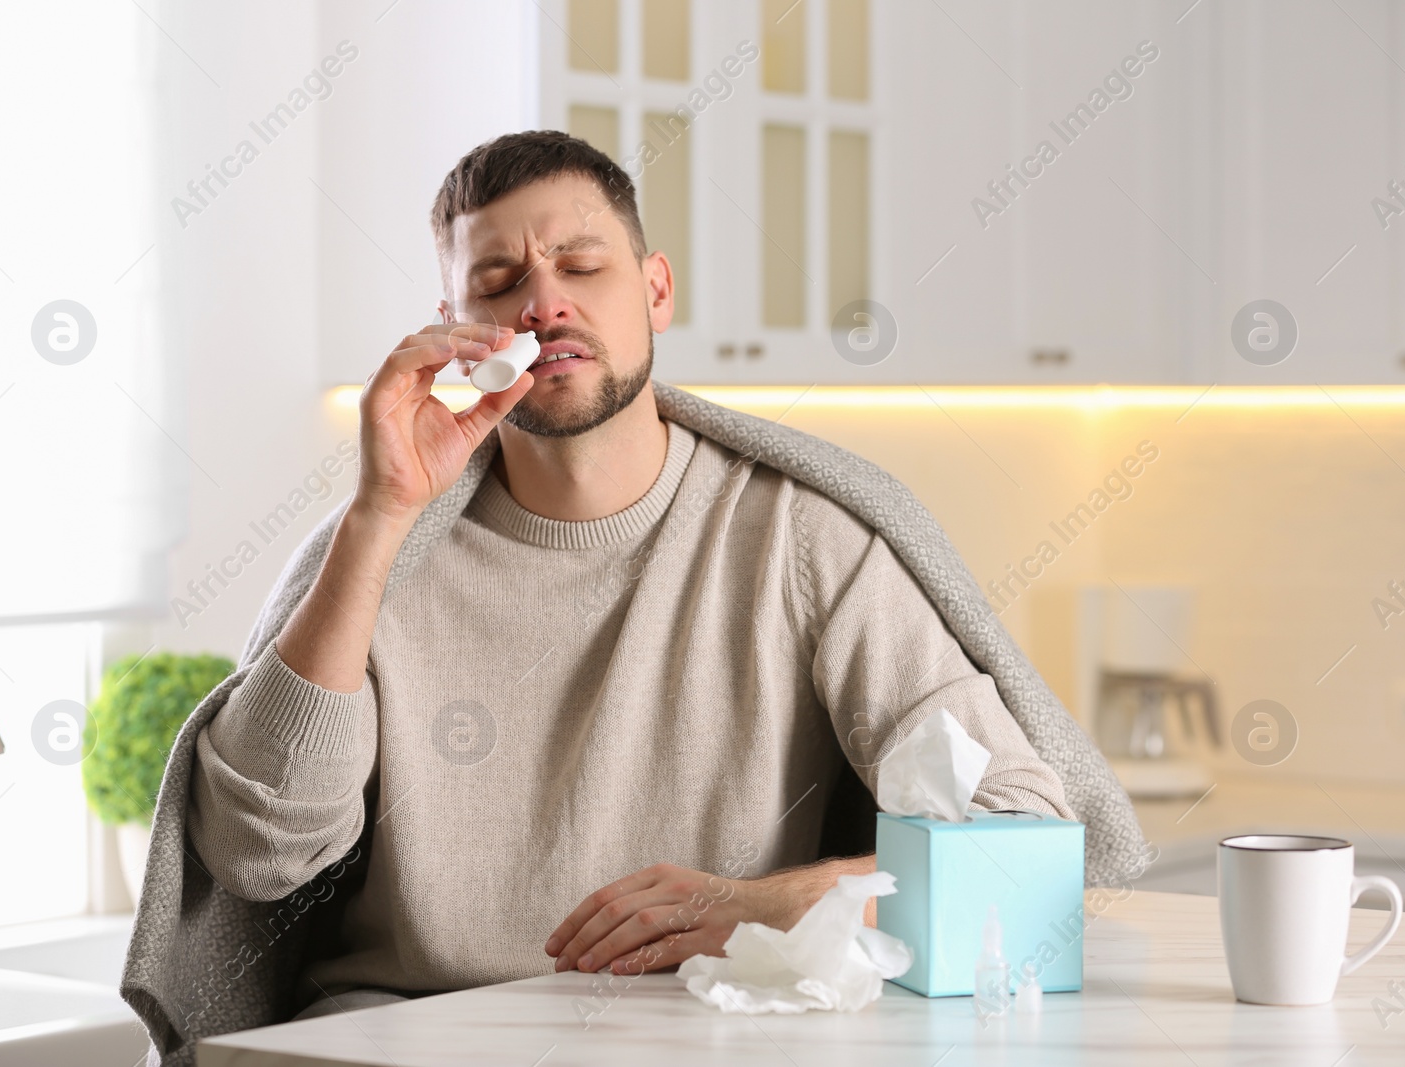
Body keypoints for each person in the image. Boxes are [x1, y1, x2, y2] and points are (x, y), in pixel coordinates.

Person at [186, 130, 1072, 1016]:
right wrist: (377, 519)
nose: (543, 302)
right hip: (407, 1032)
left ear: (655, 290)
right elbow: (257, 854)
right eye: (499, 283)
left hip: (688, 1029)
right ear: (454, 328)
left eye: (580, 265)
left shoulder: (802, 536)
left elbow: (1025, 838)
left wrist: (774, 903)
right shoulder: (382, 548)